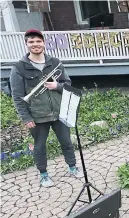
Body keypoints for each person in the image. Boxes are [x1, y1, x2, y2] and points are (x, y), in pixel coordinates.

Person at [10, 29, 83, 188]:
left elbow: (68, 84)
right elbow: (17, 96)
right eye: (31, 42)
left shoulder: (55, 63)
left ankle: (72, 167)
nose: (35, 44)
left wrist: (57, 85)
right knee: (40, 146)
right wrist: (26, 117)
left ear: (43, 43)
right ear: (27, 44)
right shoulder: (19, 68)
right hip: (37, 115)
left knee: (66, 142)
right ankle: (43, 174)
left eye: (38, 41)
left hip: (59, 112)